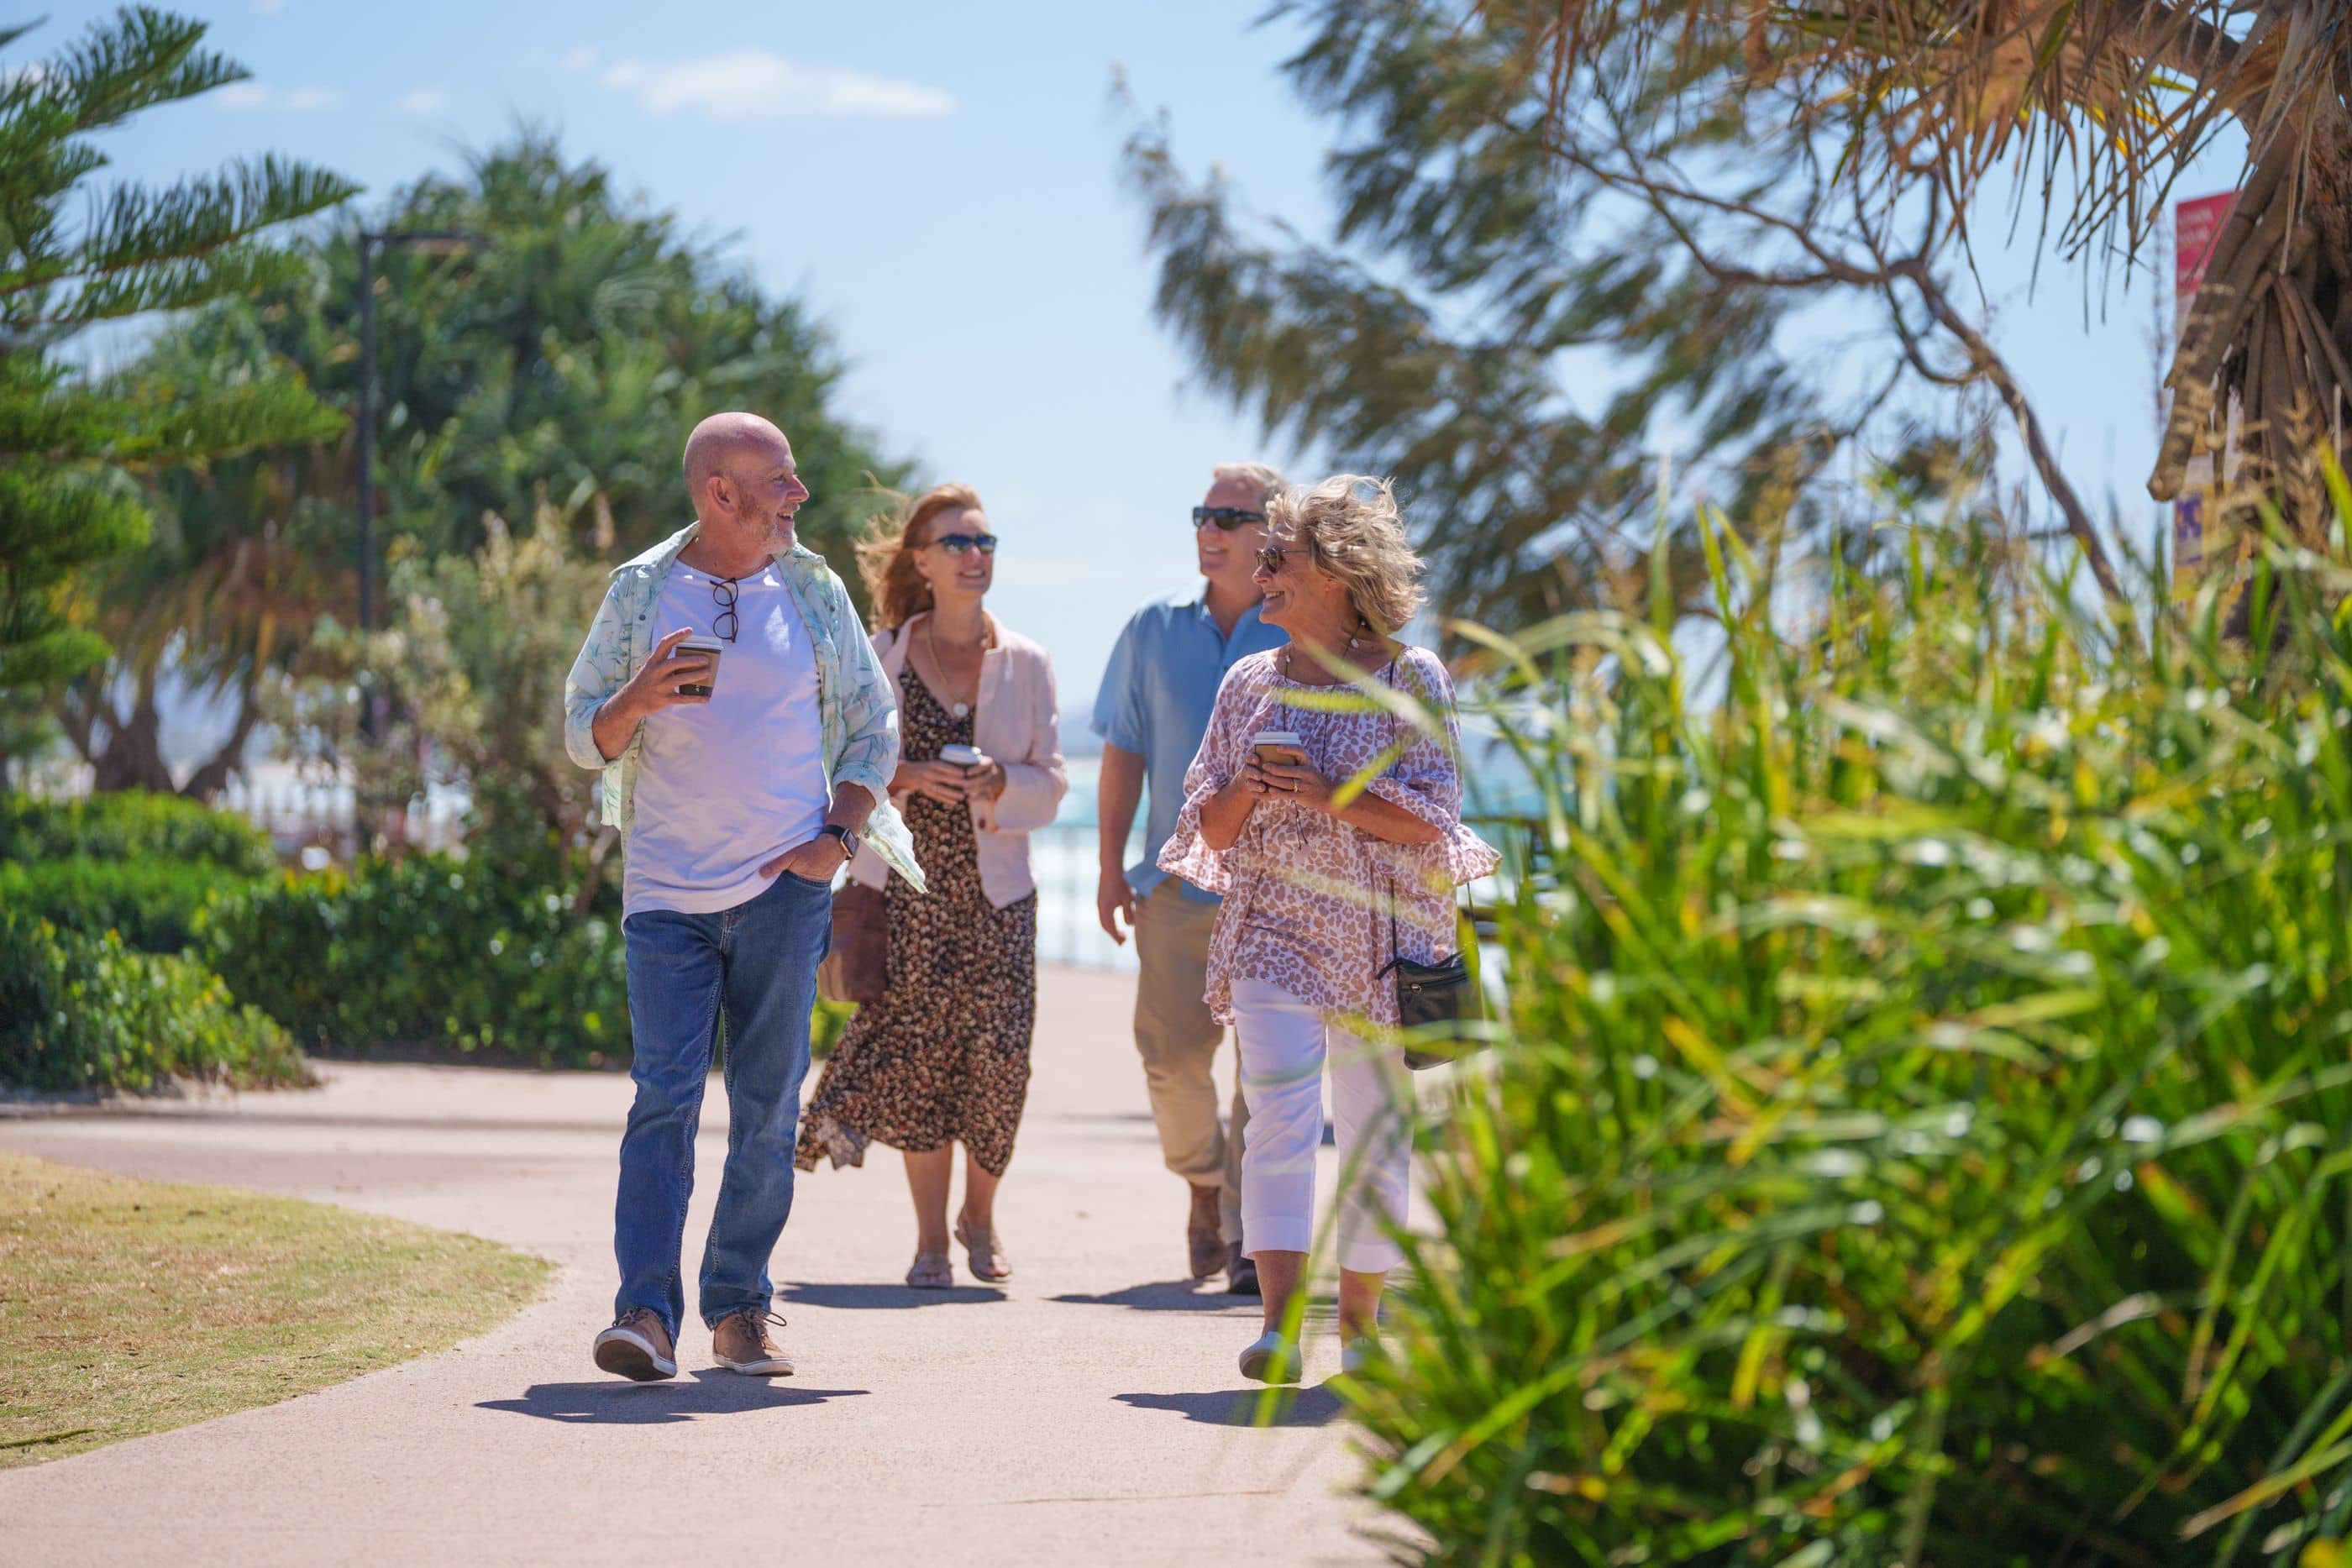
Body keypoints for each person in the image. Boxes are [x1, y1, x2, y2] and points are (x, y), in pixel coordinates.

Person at [562, 412, 924, 1382]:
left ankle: (739, 1310)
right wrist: (635, 699)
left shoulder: (811, 590)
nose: (798, 496)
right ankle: (644, 1313)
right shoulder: (641, 590)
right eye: (780, 480)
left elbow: (871, 727)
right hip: (666, 896)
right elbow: (578, 731)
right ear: (720, 493)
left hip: (784, 892)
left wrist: (835, 839)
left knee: (766, 1108)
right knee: (663, 1100)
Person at [1157, 474, 1499, 1383]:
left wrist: (1332, 794)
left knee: (1374, 1126)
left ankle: (1359, 1327)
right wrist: (1250, 787)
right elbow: (1205, 831)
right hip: (1273, 926)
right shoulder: (1247, 683)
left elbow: (1438, 819)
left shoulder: (1411, 677)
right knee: (1277, 1112)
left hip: (1384, 937)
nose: (1258, 573)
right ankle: (1276, 1329)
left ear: (1336, 575)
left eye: (1277, 559)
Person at [798, 484, 1068, 1288]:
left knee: (1000, 1061)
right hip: (906, 892)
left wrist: (999, 782)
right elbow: (834, 764)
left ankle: (980, 1218)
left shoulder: (1028, 662)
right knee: (923, 1060)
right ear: (922, 559)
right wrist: (906, 775)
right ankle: (928, 1243)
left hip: (999, 899)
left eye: (984, 543)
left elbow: (1052, 785)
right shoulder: (880, 656)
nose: (974, 556)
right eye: (956, 543)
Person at [1094, 462, 1289, 1294]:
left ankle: (1249, 1238)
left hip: (1279, 888)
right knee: (1171, 1059)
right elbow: (1123, 750)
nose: (1209, 529)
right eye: (1201, 515)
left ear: (1271, 533)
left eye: (1228, 516)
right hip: (1175, 883)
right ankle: (1206, 1183)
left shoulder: (1300, 630)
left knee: (1266, 1073)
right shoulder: (1151, 628)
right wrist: (1108, 866)